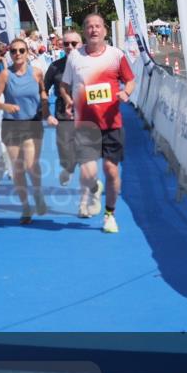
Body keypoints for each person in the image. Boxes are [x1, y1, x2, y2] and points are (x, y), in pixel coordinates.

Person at [59, 13, 135, 234]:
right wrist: (68, 100)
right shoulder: (75, 57)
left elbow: (130, 80)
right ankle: (93, 188)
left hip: (112, 123)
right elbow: (64, 85)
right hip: (85, 124)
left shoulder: (115, 55)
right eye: (89, 27)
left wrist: (126, 92)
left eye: (97, 26)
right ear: (84, 31)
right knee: (88, 173)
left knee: (111, 171)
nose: (94, 30)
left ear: (104, 30)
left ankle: (109, 215)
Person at [0, 38, 53, 224]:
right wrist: (5, 106)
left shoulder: (36, 73)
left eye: (21, 50)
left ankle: (38, 193)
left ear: (27, 53)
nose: (17, 54)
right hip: (11, 124)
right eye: (13, 51)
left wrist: (45, 108)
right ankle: (26, 207)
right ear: (9, 54)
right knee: (18, 169)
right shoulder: (5, 75)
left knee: (31, 165)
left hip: (32, 122)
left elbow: (43, 92)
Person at [43, 28, 82, 186]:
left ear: (81, 44)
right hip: (63, 114)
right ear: (62, 46)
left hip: (87, 114)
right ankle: (68, 168)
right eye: (67, 44)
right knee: (65, 149)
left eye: (74, 43)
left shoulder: (92, 65)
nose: (70, 46)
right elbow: (43, 90)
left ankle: (88, 197)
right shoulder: (55, 67)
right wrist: (46, 113)